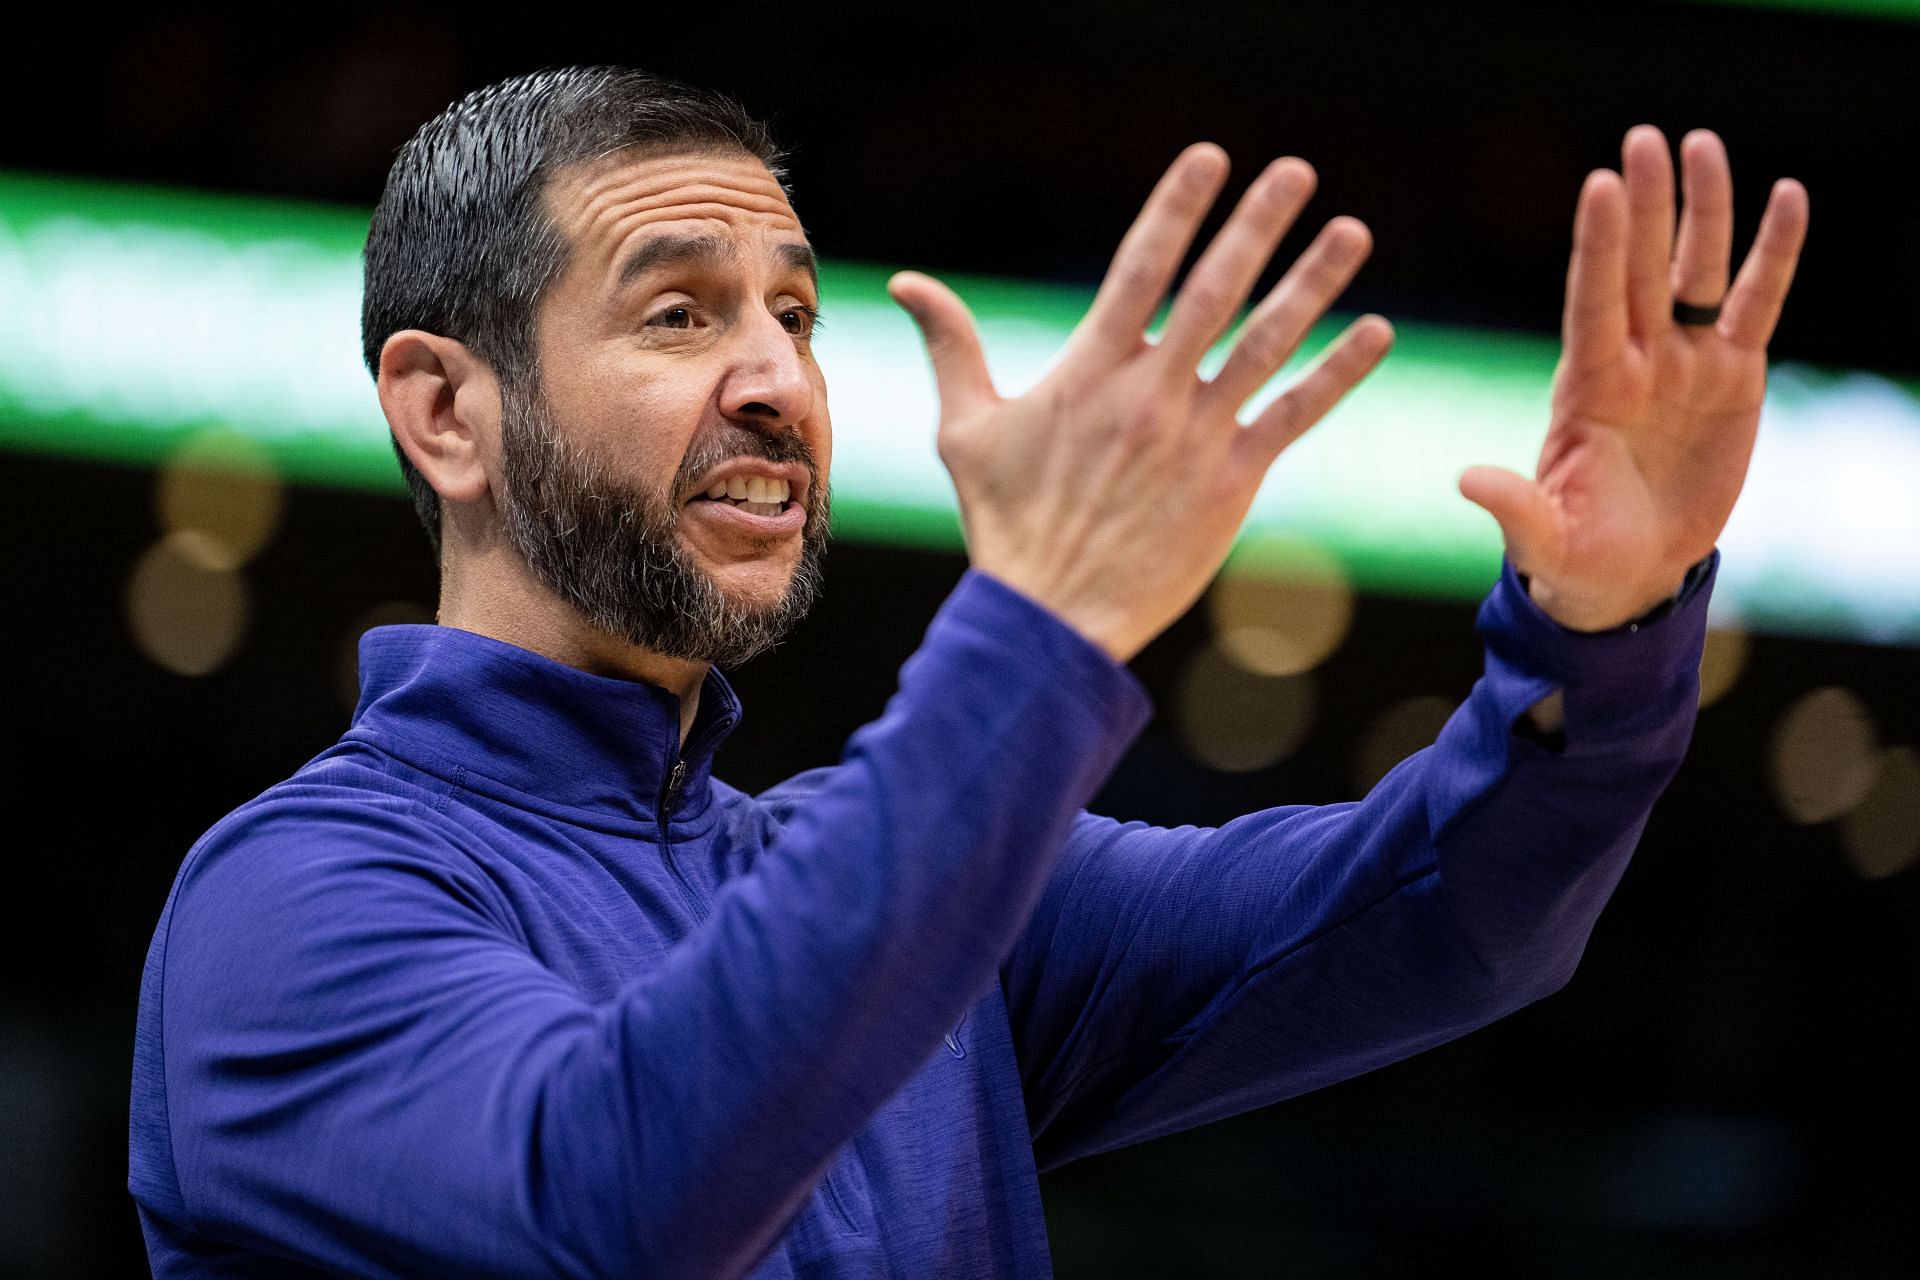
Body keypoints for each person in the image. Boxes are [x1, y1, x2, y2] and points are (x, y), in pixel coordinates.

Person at [127, 66, 1807, 1278]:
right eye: (679, 315)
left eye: (797, 315)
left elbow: (1455, 914)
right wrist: (1044, 623)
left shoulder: (883, 882)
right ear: (444, 409)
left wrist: (1607, 622)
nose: (779, 379)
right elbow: (620, 1207)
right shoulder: (290, 904)